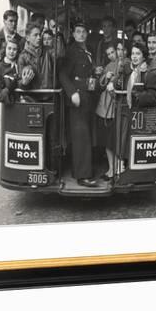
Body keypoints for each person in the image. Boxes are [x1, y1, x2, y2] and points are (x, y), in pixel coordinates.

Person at [58, 20, 98, 187]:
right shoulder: (71, 51)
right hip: (78, 98)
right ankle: (83, 176)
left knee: (85, 135)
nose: (81, 34)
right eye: (78, 31)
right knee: (81, 136)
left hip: (87, 96)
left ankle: (81, 170)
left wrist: (95, 71)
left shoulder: (87, 49)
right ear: (73, 34)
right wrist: (72, 92)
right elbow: (62, 74)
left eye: (84, 31)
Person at [95, 44, 125, 179]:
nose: (112, 55)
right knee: (107, 139)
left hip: (113, 106)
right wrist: (105, 77)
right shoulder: (108, 66)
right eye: (109, 53)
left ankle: (116, 166)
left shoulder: (124, 64)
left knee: (111, 139)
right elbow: (101, 83)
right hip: (105, 106)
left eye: (114, 51)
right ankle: (111, 167)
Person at [18, 22, 54, 90]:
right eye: (35, 35)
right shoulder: (22, 57)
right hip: (31, 97)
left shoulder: (48, 51)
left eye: (40, 35)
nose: (39, 38)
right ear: (28, 38)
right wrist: (24, 83)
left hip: (49, 95)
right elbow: (20, 82)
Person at [124, 42, 156, 109]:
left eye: (138, 54)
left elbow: (155, 96)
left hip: (142, 113)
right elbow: (120, 85)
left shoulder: (149, 75)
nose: (134, 56)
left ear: (143, 57)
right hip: (128, 112)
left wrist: (139, 96)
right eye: (133, 53)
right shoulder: (128, 72)